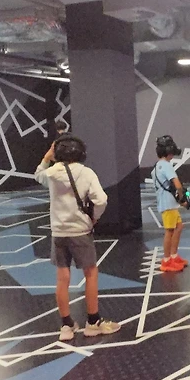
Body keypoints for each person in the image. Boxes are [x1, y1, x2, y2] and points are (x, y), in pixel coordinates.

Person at [34, 135, 120, 342]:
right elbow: (101, 200)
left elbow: (38, 175)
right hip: (80, 231)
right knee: (91, 273)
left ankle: (66, 326)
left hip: (58, 232)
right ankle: (93, 322)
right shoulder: (86, 173)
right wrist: (94, 218)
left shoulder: (51, 173)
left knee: (62, 278)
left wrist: (47, 157)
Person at [153, 135, 189, 272]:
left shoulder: (156, 167)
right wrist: (182, 198)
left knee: (179, 227)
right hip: (168, 204)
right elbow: (177, 185)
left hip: (168, 204)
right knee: (169, 231)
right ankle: (166, 260)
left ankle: (173, 256)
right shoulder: (167, 166)